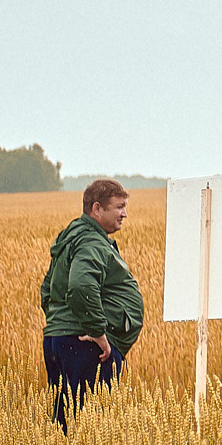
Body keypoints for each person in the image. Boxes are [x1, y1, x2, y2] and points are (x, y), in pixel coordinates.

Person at [40, 179, 144, 429]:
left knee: (66, 423)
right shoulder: (91, 242)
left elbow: (47, 290)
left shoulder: (73, 238)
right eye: (119, 207)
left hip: (65, 339)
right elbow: (80, 285)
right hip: (86, 346)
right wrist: (97, 332)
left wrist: (60, 324)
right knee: (90, 429)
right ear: (97, 208)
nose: (124, 214)